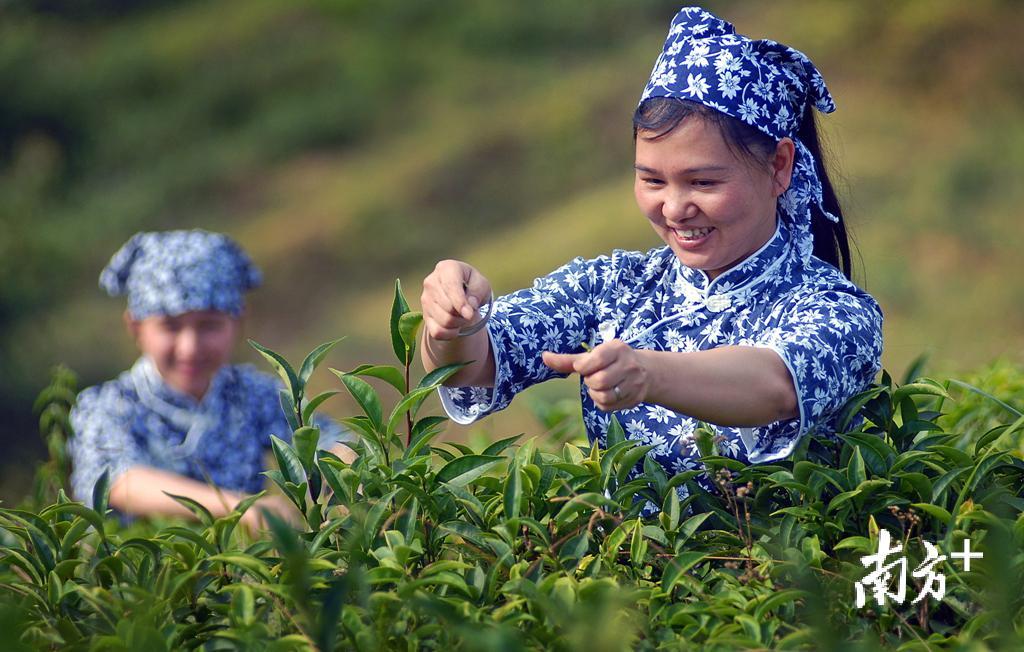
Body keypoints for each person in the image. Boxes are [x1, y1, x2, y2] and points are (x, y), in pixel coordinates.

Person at [419, 7, 883, 489]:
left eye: (703, 181)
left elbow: (776, 385)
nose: (676, 208)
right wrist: (454, 323)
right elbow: (474, 367)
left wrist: (649, 374)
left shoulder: (836, 309)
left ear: (779, 167)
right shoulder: (610, 287)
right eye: (652, 180)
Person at [68, 229, 354, 529]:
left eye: (209, 326)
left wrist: (350, 474)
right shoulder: (107, 405)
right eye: (171, 326)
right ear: (136, 328)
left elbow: (331, 442)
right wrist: (240, 509)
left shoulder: (253, 395)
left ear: (238, 322)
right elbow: (118, 481)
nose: (190, 348)